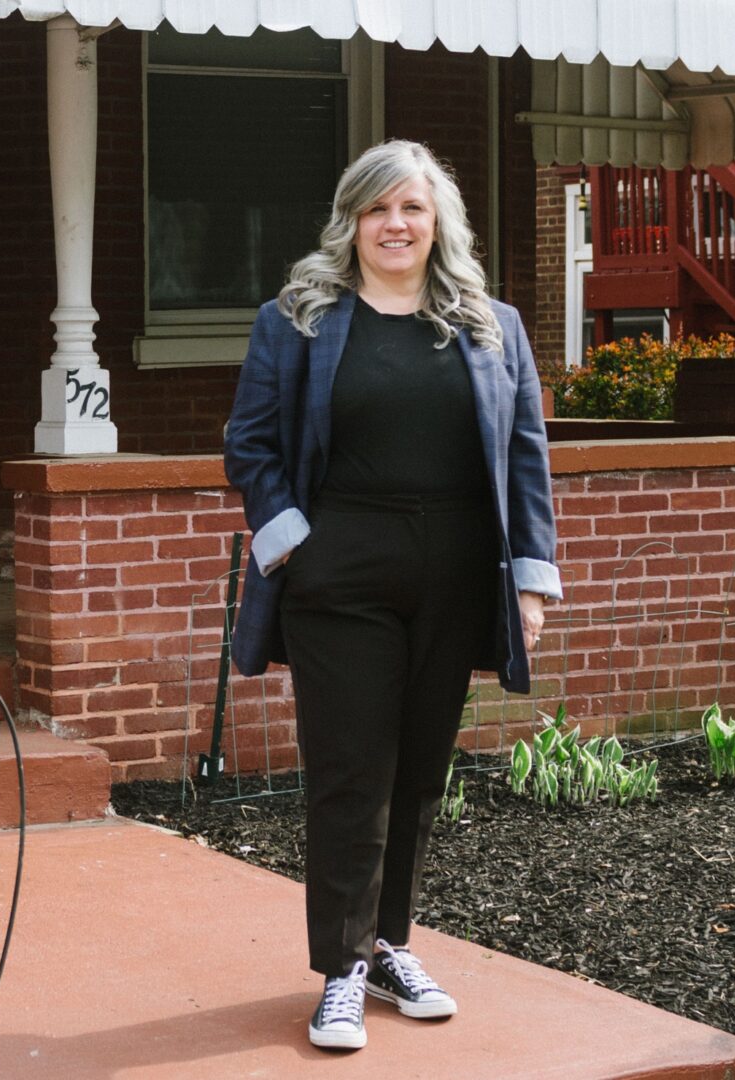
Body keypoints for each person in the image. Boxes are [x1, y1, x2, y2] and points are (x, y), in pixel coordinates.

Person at [223, 139, 561, 1051]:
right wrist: (290, 540)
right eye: (377, 209)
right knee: (350, 773)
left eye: (411, 207)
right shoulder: (294, 320)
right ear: (351, 222)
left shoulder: (493, 327)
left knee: (415, 775)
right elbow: (249, 447)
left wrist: (531, 575)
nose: (395, 224)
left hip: (454, 574)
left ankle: (389, 944)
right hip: (340, 572)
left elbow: (525, 454)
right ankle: (339, 972)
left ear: (437, 219)